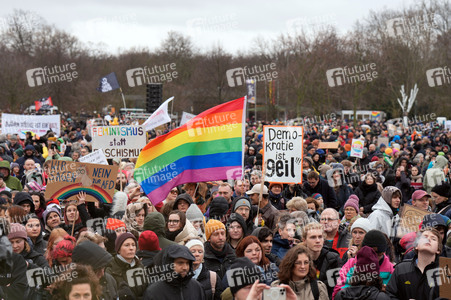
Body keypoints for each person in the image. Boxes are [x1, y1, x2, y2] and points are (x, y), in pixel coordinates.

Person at [333, 230, 394, 299]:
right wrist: (354, 292)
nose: (374, 258)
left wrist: (387, 292)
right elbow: (338, 290)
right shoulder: (351, 264)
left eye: (379, 255)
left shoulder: (391, 269)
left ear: (384, 252)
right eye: (370, 254)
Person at [386, 228, 442, 300]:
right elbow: (390, 295)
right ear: (416, 246)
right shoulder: (401, 269)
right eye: (424, 237)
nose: (428, 239)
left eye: (433, 239)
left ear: (438, 249)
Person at [301, 222, 342, 298]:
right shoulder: (298, 259)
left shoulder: (334, 259)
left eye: (320, 237)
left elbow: (335, 288)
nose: (317, 241)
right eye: (313, 237)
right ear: (304, 240)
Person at [105, 232, 146, 299]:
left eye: (133, 245)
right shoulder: (110, 269)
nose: (131, 248)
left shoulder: (140, 266)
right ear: (118, 250)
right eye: (127, 245)